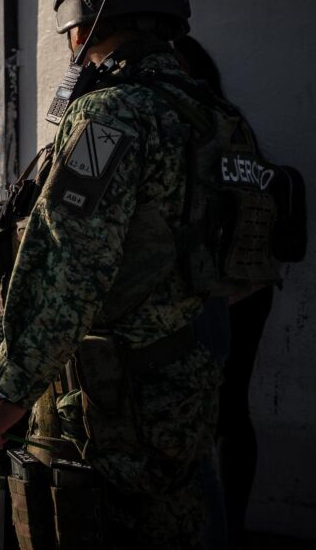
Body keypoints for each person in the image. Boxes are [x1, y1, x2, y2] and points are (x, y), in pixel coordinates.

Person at [0, 0, 221, 548]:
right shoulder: (206, 112)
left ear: (82, 26)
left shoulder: (109, 115)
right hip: (185, 370)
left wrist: (12, 387)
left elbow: (72, 261)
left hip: (114, 394)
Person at [174, 34, 276, 550]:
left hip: (215, 294)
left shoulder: (189, 127)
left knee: (194, 419)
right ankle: (231, 527)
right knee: (232, 412)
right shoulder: (235, 123)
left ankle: (212, 532)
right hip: (253, 284)